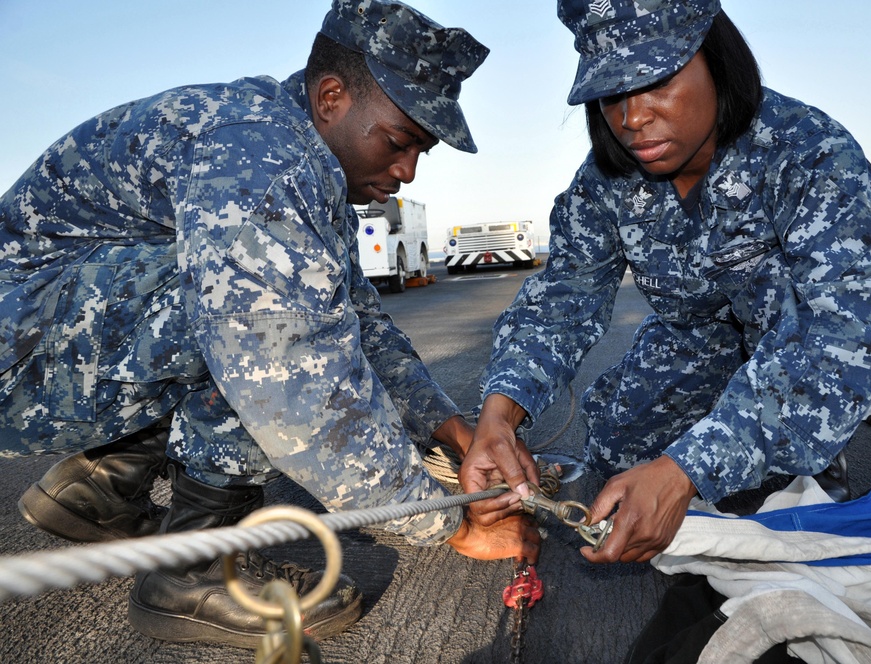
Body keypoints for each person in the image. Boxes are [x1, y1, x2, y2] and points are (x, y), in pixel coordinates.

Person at [0, 0, 539, 649]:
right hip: (17, 346)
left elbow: (360, 323)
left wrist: (453, 428)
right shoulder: (262, 154)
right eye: (399, 143)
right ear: (332, 97)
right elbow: (293, 379)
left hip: (49, 331)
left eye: (419, 153)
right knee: (258, 324)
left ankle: (106, 483)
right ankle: (191, 570)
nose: (407, 173)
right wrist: (449, 526)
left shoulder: (306, 161)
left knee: (278, 307)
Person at [460, 0, 871, 567]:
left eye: (657, 81)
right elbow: (562, 300)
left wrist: (686, 469)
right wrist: (498, 416)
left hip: (813, 326)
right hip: (703, 325)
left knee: (774, 339)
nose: (633, 117)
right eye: (612, 93)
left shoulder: (807, 152)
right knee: (617, 452)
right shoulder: (605, 183)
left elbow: (846, 328)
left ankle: (811, 452)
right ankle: (745, 424)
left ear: (717, 59)